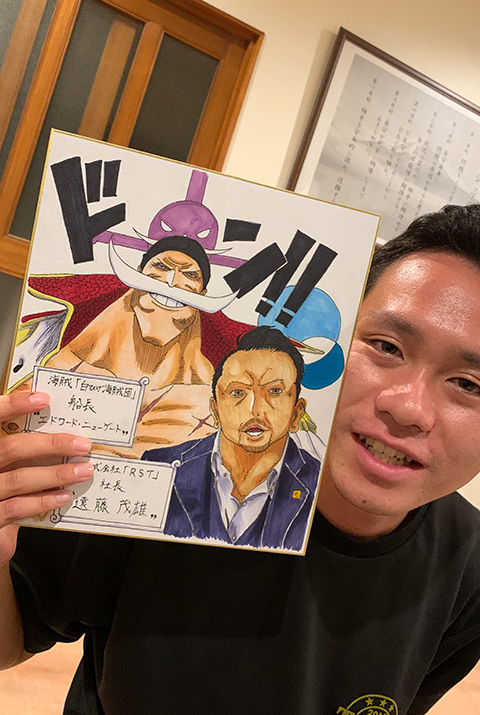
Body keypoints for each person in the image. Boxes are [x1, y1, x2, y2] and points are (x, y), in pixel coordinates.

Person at [1, 204, 480, 715]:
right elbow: (14, 636)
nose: (408, 408)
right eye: (386, 346)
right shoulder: (152, 473)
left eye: (469, 384)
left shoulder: (468, 570)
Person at [5, 235, 252, 458]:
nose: (172, 282)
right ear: (139, 274)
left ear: (203, 293)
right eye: (162, 267)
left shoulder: (209, 395)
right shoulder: (49, 346)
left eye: (190, 275)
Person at [146, 326, 320, 550]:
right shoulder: (160, 466)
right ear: (215, 409)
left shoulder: (317, 484)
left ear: (296, 412)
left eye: (274, 391)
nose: (255, 410)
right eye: (238, 392)